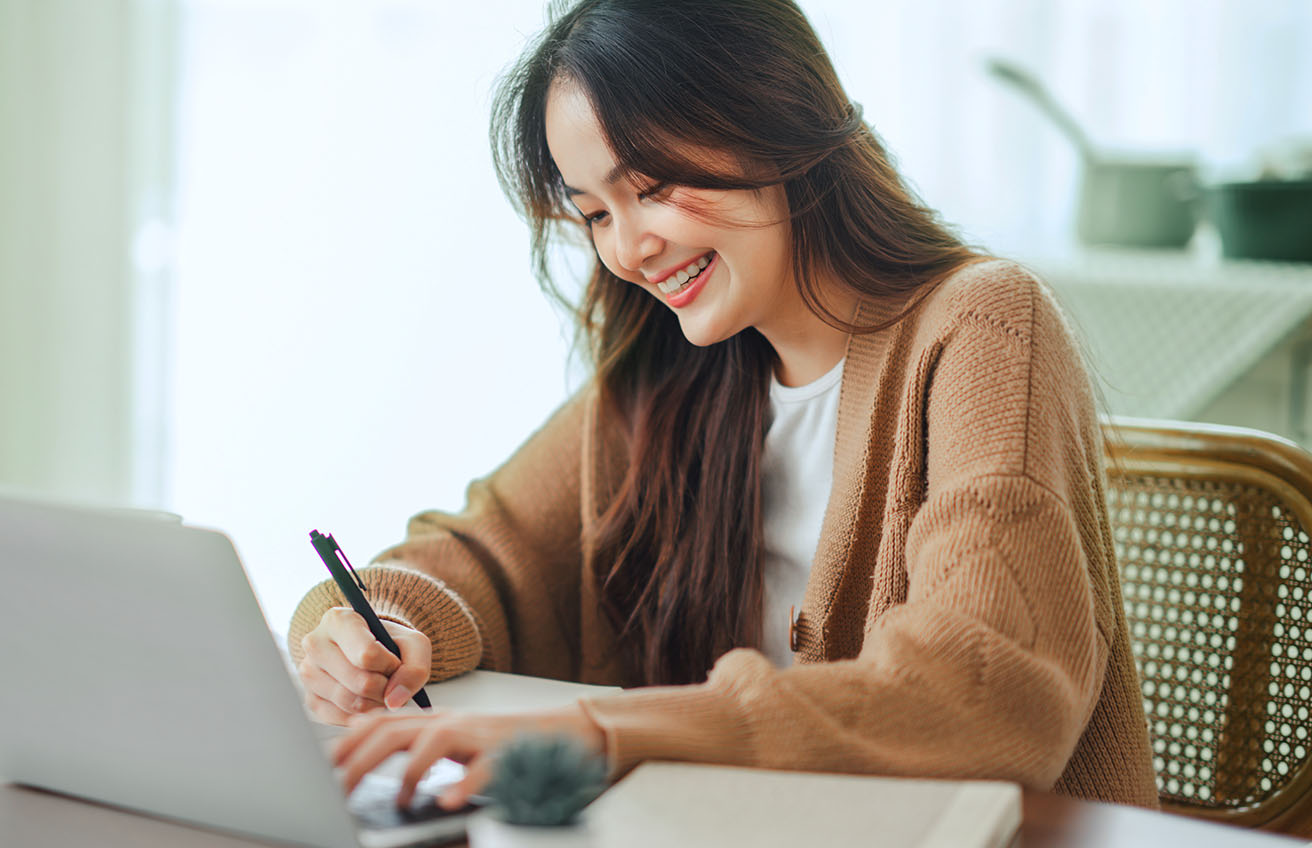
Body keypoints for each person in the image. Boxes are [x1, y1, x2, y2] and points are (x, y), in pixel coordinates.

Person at [288, 0, 1159, 813]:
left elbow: (986, 691)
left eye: (651, 186)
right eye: (595, 214)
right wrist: (381, 623)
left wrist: (606, 731)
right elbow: (483, 553)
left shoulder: (982, 326)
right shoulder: (673, 378)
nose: (629, 250)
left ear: (770, 115)